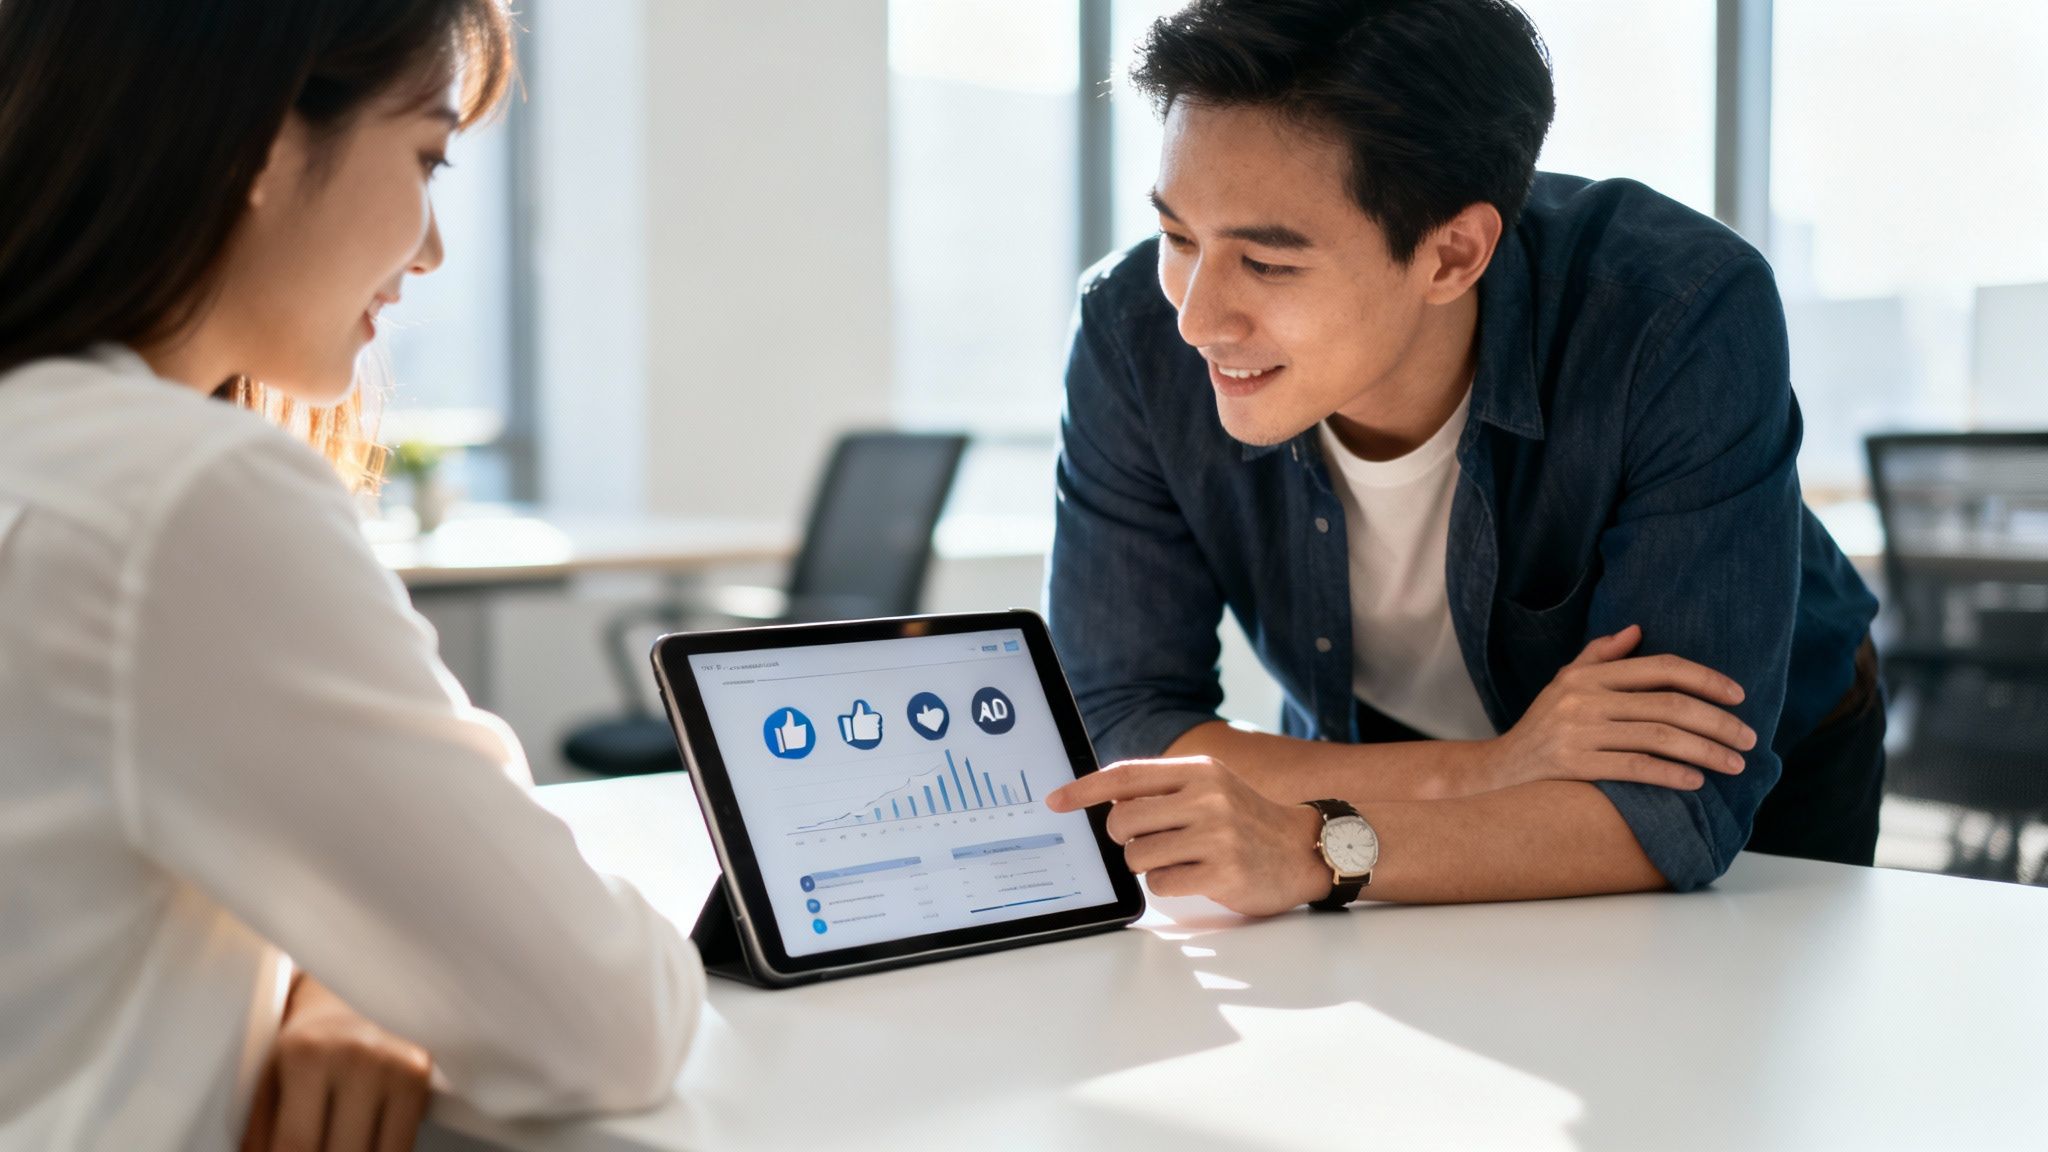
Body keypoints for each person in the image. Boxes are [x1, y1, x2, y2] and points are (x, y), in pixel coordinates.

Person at [0, 2, 704, 1149]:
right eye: (425, 156)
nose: (431, 249)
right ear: (264, 145)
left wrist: (356, 973)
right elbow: (606, 1015)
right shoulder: (179, 500)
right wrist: (403, 960)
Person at [1043, 0, 1883, 915]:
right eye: (1178, 236)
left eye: (1269, 265)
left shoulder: (1673, 311)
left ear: (1452, 253)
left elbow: (1668, 809)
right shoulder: (1131, 331)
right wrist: (1486, 771)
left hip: (1772, 781)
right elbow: (1120, 720)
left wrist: (1315, 843)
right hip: (1390, 773)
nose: (1196, 319)